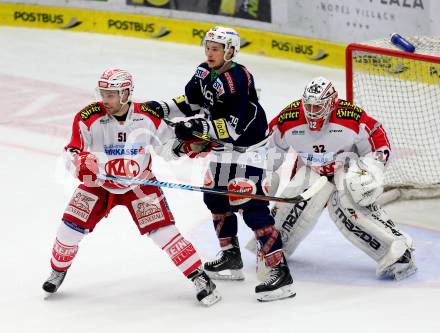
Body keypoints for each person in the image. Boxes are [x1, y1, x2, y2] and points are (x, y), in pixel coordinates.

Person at [42, 69, 221, 306]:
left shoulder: (147, 116)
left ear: (126, 93)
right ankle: (58, 270)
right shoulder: (88, 117)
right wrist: (81, 163)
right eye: (103, 93)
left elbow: (166, 146)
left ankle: (200, 278)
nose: (105, 100)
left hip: (139, 184)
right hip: (98, 184)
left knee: (164, 233)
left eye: (112, 94)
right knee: (69, 229)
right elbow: (72, 150)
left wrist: (190, 148)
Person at [163, 26, 295, 302]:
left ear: (230, 51)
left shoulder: (238, 78)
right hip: (224, 150)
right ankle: (230, 257)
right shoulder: (203, 72)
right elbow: (189, 102)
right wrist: (158, 108)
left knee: (249, 203)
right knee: (215, 197)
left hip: (250, 151)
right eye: (208, 47)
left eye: (216, 48)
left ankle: (280, 272)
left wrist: (195, 128)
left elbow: (231, 129)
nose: (210, 53)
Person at [265, 76, 417, 281]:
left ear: (331, 103)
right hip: (312, 169)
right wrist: (262, 176)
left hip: (346, 169)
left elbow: (377, 139)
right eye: (307, 105)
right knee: (295, 197)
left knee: (347, 201)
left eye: (317, 107)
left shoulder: (349, 116)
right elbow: (267, 147)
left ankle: (398, 249)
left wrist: (371, 169)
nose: (311, 111)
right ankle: (272, 247)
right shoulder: (289, 118)